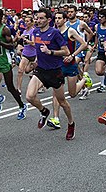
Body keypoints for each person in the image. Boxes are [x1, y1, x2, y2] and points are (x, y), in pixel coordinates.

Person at [26, 10, 76, 141]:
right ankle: (44, 111)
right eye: (37, 18)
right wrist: (35, 62)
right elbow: (38, 49)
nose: (38, 20)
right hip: (41, 70)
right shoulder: (35, 32)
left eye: (41, 18)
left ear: (49, 20)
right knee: (29, 96)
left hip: (55, 72)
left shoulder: (55, 33)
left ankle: (71, 123)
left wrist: (50, 52)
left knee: (62, 102)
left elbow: (66, 51)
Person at [0, 8, 27, 119]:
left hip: (4, 61)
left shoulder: (5, 30)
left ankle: (22, 106)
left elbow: (11, 46)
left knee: (10, 87)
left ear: (1, 17)